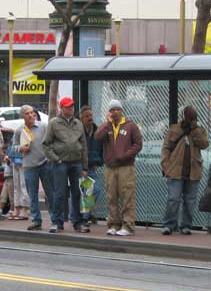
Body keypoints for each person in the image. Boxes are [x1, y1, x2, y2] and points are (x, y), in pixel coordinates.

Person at [94, 100, 143, 236]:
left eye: (118, 109)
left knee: (127, 196)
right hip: (110, 167)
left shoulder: (130, 125)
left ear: (121, 111)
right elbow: (97, 137)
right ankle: (114, 224)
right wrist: (108, 123)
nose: (115, 112)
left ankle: (128, 226)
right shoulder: (106, 126)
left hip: (126, 167)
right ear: (109, 112)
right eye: (112, 110)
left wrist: (126, 155)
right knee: (111, 197)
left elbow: (138, 144)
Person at [42, 96, 89, 234]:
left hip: (76, 162)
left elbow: (84, 146)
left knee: (77, 193)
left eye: (72, 106)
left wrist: (85, 166)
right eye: (68, 106)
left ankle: (77, 222)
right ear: (61, 108)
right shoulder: (54, 123)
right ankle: (57, 222)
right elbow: (46, 144)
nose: (71, 109)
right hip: (60, 163)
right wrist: (55, 159)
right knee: (59, 193)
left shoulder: (78, 123)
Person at [160, 106, 209, 235]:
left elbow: (204, 144)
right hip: (175, 170)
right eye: (189, 118)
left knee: (190, 200)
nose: (191, 121)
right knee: (173, 198)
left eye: (193, 119)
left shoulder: (199, 130)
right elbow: (166, 148)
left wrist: (194, 131)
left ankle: (186, 225)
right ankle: (169, 224)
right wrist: (165, 165)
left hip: (193, 170)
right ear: (183, 117)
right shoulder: (174, 129)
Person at [14, 105, 53, 229]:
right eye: (27, 113)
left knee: (50, 192)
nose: (31, 115)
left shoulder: (42, 126)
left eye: (32, 113)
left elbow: (50, 141)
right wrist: (21, 148)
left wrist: (50, 157)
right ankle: (36, 220)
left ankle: (56, 219)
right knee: (32, 194)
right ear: (23, 116)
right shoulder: (20, 130)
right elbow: (13, 147)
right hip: (29, 166)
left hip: (44, 164)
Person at [80, 106, 104, 226]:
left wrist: (98, 162)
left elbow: (101, 148)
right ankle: (84, 217)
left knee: (93, 190)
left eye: (91, 115)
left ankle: (85, 214)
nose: (90, 118)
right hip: (82, 167)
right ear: (82, 118)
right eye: (87, 116)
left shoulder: (97, 131)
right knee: (90, 190)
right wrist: (82, 167)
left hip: (92, 167)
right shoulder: (79, 131)